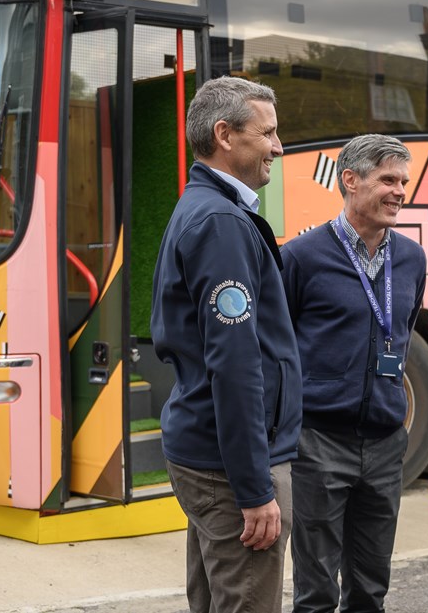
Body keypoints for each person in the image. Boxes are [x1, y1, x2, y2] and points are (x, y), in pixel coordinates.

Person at [150, 76, 302, 613]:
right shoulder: (220, 223)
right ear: (225, 135)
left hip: (210, 454)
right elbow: (236, 364)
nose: (279, 148)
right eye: (268, 133)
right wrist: (255, 488)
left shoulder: (205, 209)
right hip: (227, 464)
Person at [280, 134, 427, 613]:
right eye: (388, 179)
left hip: (385, 444)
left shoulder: (411, 258)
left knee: (370, 587)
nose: (399, 190)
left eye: (403, 180)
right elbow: (278, 347)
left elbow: (400, 330)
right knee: (316, 588)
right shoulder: (300, 257)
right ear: (350, 180)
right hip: (319, 442)